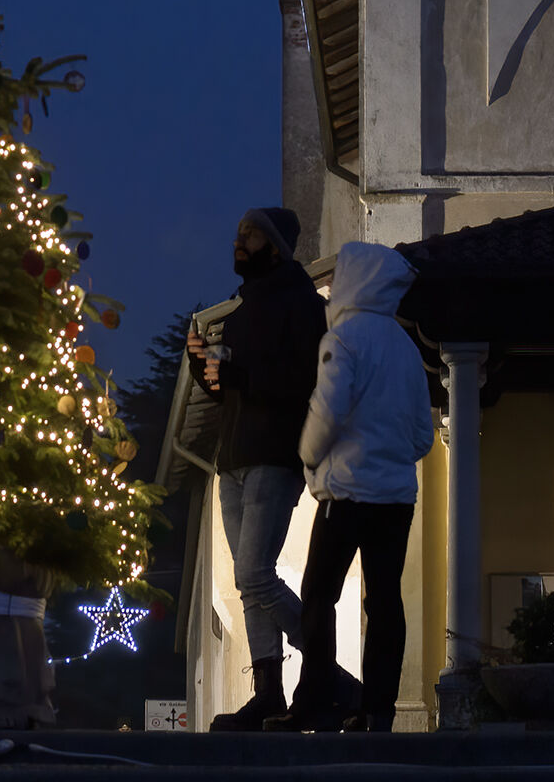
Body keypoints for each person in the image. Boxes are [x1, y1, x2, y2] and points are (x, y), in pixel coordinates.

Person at [268, 240, 434, 735]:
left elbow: (327, 410)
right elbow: (424, 435)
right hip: (397, 498)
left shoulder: (343, 340)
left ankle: (316, 701)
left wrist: (308, 455)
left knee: (319, 595)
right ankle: (378, 710)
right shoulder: (405, 347)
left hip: (344, 494)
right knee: (385, 601)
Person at [185, 206, 329, 730]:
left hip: (274, 455)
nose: (239, 243)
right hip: (236, 457)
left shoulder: (303, 305)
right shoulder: (242, 312)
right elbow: (233, 389)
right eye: (238, 233)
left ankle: (324, 667)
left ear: (275, 246)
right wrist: (205, 371)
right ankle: (269, 690)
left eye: (249, 235)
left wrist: (238, 374)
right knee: (251, 584)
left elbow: (301, 381)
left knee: (255, 574)